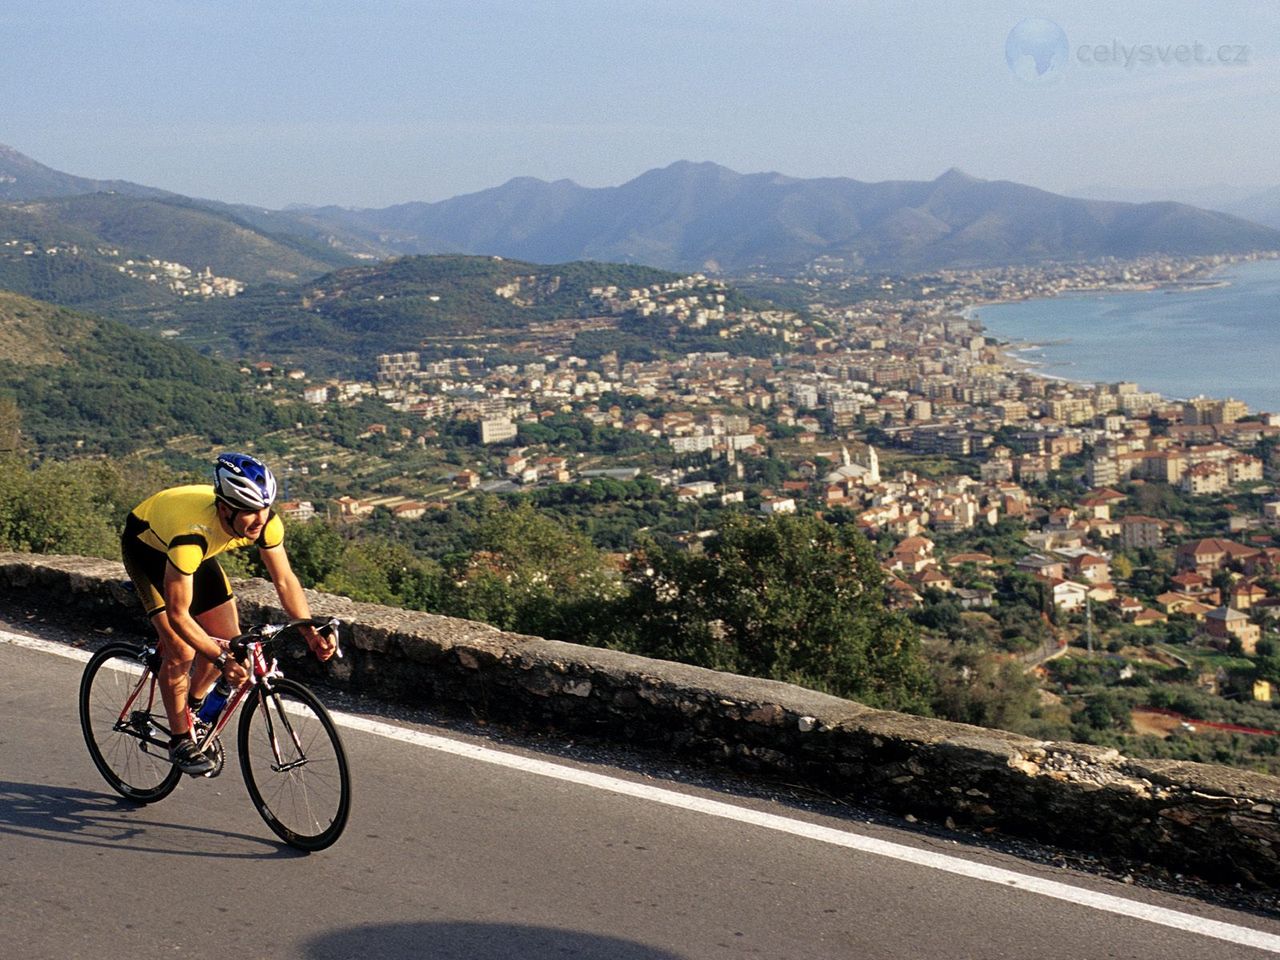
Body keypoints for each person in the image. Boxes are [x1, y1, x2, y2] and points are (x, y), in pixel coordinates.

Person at [121, 452, 336, 774]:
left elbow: (284, 579)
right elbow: (179, 616)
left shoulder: (265, 523)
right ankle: (180, 740)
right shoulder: (190, 537)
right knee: (181, 650)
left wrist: (308, 630)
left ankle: (190, 708)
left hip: (197, 555)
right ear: (225, 508)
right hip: (148, 550)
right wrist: (221, 660)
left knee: (230, 641)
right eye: (249, 512)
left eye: (263, 509)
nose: (259, 519)